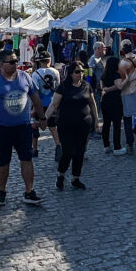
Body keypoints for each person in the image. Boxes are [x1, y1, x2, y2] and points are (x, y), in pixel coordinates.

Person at [0, 49, 45, 206]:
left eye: (17, 61)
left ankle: (29, 191)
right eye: (12, 62)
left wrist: (42, 117)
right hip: (0, 128)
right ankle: (2, 190)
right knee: (3, 163)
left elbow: (35, 98)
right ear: (1, 64)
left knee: (27, 159)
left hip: (23, 127)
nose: (16, 64)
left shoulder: (25, 77)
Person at [46, 62, 100, 191]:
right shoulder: (63, 87)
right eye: (77, 72)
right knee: (68, 151)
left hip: (84, 124)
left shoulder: (87, 86)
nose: (80, 74)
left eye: (82, 72)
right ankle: (61, 174)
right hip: (66, 124)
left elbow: (92, 104)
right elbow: (54, 105)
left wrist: (96, 122)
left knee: (80, 152)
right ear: (70, 73)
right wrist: (44, 119)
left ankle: (76, 178)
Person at [30, 52, 61, 156]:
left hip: (39, 104)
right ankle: (58, 146)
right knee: (53, 127)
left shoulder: (35, 74)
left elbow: (35, 92)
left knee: (34, 126)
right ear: (49, 60)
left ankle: (34, 150)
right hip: (52, 103)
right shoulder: (56, 72)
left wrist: (34, 108)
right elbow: (58, 88)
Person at [100, 54, 125, 155]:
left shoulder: (104, 74)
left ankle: (106, 146)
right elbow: (119, 86)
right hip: (115, 101)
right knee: (116, 124)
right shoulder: (116, 74)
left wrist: (106, 89)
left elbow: (102, 86)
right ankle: (117, 147)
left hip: (105, 100)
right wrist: (126, 80)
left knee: (106, 124)